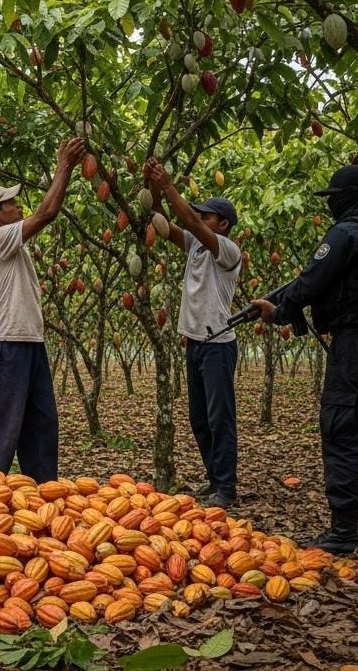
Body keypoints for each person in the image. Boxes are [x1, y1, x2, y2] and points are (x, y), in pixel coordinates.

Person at [251, 165, 358, 554]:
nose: (331, 205)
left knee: (343, 431)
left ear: (349, 196)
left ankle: (343, 531)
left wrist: (278, 310)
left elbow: (312, 281)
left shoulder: (347, 232)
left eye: (333, 198)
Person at [0, 137, 85, 483]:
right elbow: (47, 213)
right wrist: (64, 166)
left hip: (29, 342)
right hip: (9, 343)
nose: (18, 205)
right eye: (11, 203)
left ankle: (43, 494)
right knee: (4, 427)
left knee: (41, 424)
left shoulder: (11, 243)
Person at [146, 158, 241, 510]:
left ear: (223, 225)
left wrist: (169, 184)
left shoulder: (226, 250)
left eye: (207, 217)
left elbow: (186, 219)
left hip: (218, 345)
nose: (200, 219)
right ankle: (214, 478)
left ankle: (226, 487)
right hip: (195, 343)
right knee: (199, 419)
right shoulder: (196, 245)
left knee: (220, 419)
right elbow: (162, 221)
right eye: (200, 215)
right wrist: (153, 187)